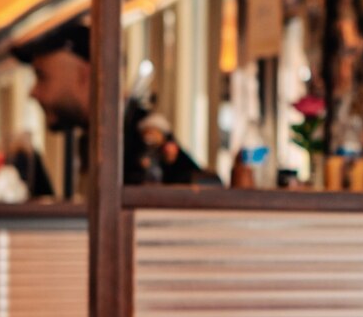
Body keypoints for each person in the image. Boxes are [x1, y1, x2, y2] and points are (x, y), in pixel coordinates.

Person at [13, 20, 219, 193]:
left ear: (85, 75)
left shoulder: (139, 141)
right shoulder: (96, 139)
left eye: (42, 77)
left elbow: (199, 198)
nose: (33, 92)